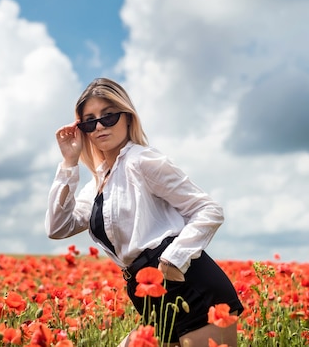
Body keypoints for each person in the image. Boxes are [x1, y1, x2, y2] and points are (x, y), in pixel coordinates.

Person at [46, 78, 244, 346]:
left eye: (108, 116)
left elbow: (208, 209)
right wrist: (69, 163)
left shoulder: (143, 161)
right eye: (90, 122)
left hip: (188, 285)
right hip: (148, 293)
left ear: (127, 117)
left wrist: (174, 258)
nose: (100, 126)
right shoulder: (96, 184)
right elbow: (58, 228)